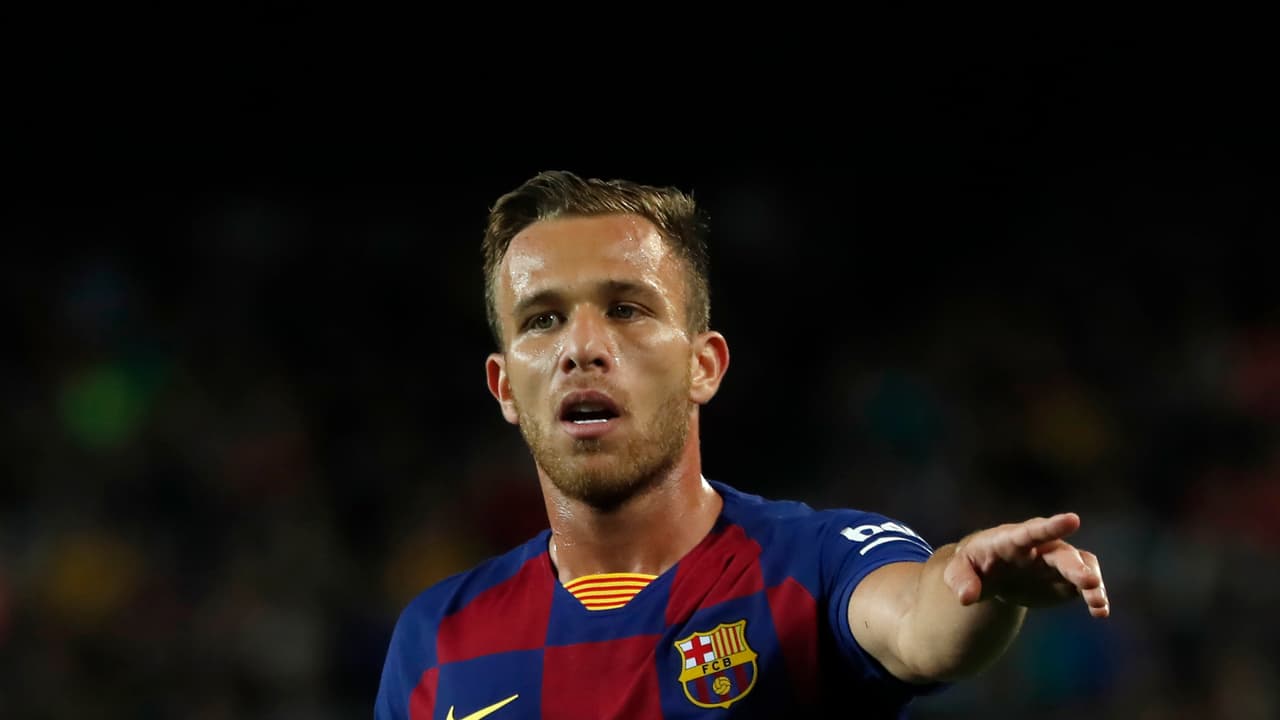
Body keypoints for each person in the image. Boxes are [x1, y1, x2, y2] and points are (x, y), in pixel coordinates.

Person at [374, 170, 1109, 719]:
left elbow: (919, 620)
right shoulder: (434, 640)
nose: (582, 348)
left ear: (704, 366)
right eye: (542, 320)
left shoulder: (813, 565)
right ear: (504, 386)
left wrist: (981, 588)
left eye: (626, 308)